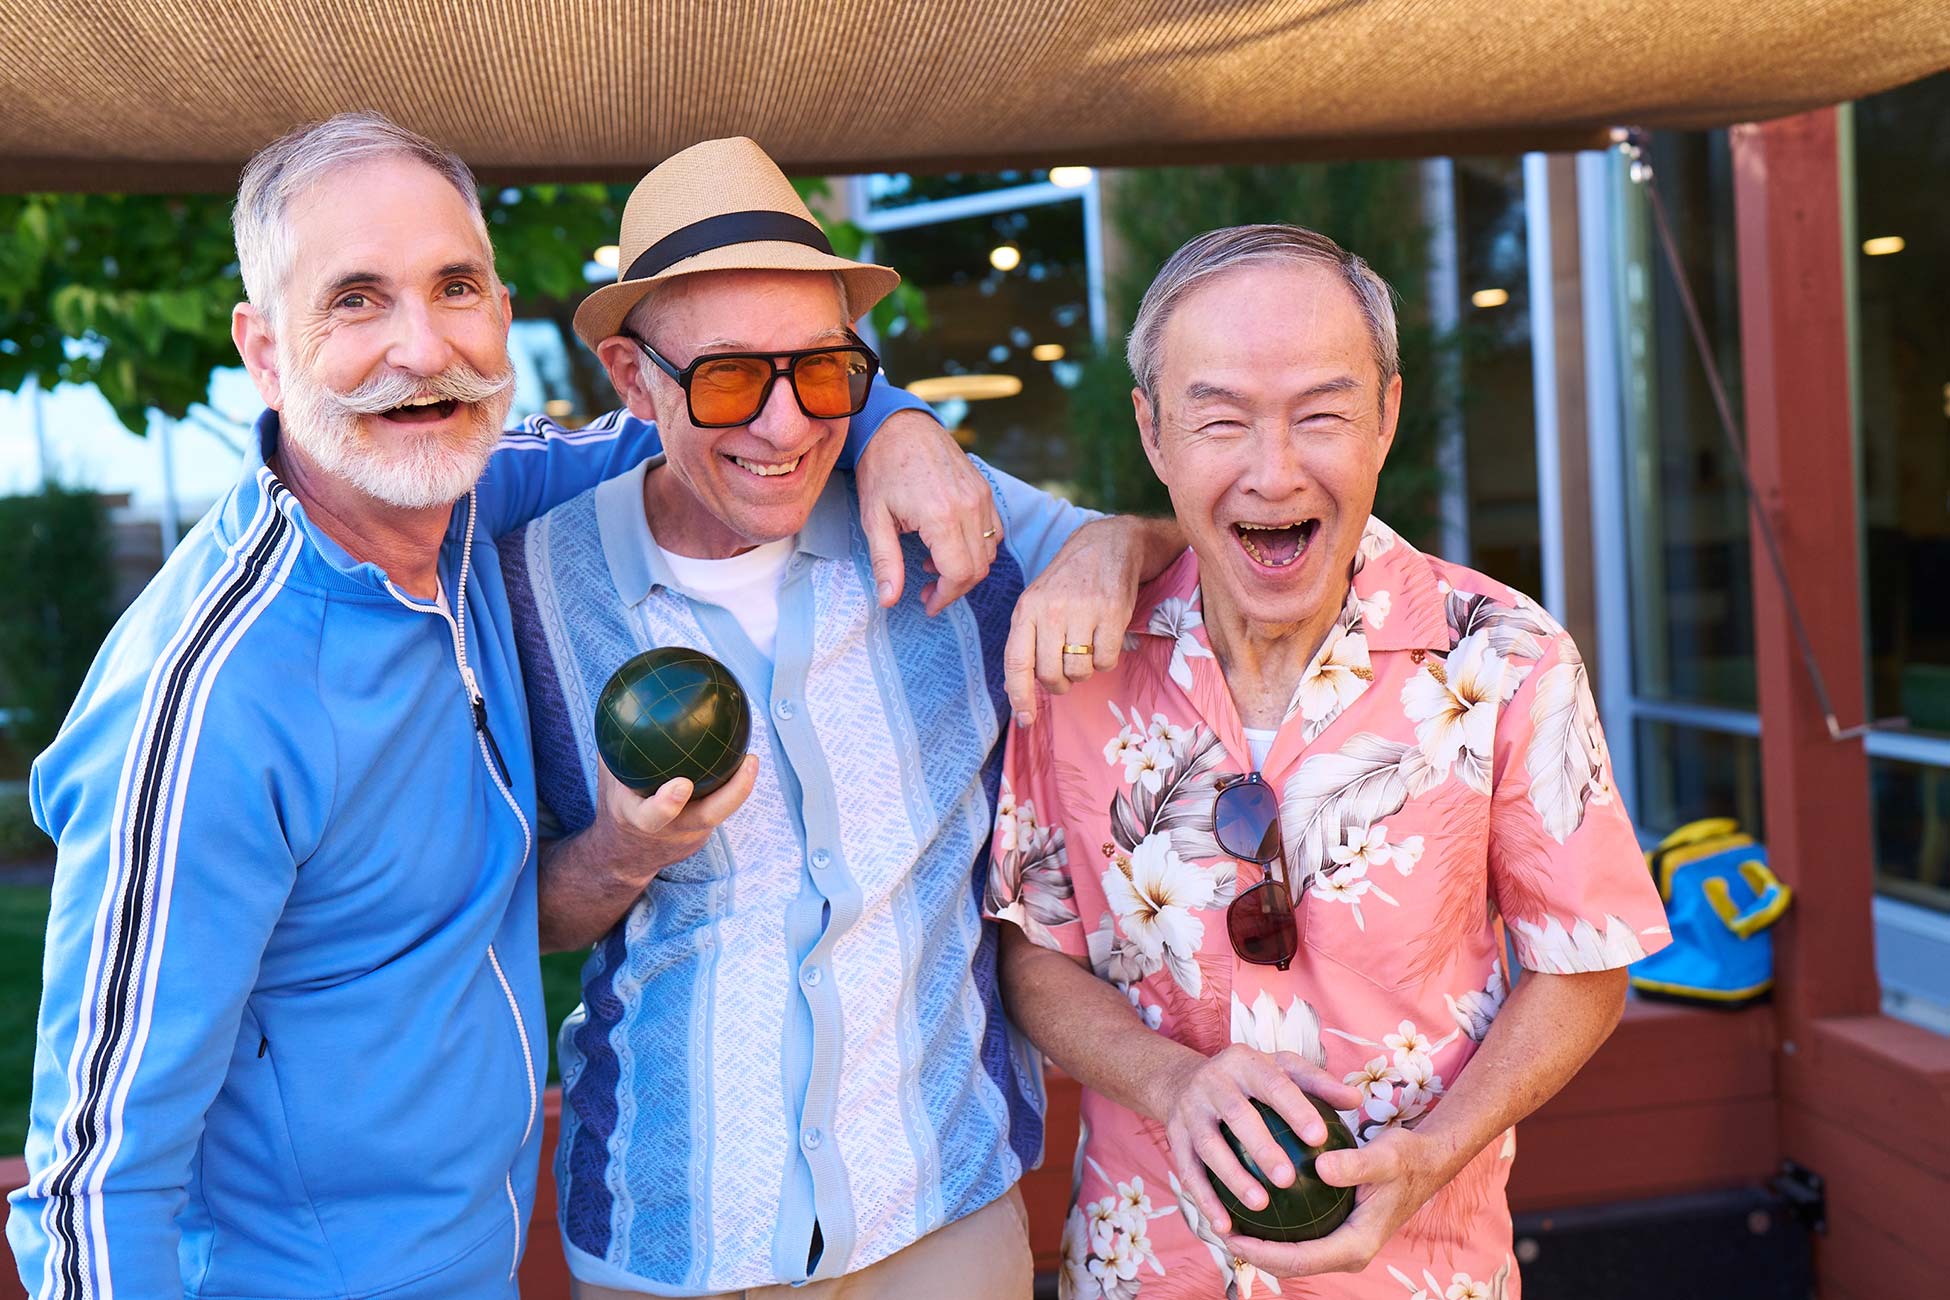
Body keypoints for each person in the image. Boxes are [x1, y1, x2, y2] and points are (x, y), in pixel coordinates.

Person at [6, 113, 1009, 1300]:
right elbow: (90, 1181)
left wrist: (897, 427)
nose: (421, 348)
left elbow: (723, 418)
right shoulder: (210, 694)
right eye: (357, 300)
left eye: (455, 286)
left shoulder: (480, 492)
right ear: (265, 349)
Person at [497, 136, 1184, 1300]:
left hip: (943, 1209)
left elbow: (1160, 543)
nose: (783, 428)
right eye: (725, 380)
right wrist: (623, 851)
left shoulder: (944, 527)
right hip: (675, 1233)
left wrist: (1112, 549)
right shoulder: (529, 587)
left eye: (822, 373)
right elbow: (528, 915)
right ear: (631, 375)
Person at [986, 225, 1672, 1298]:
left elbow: (1585, 963)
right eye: (1220, 419)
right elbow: (1034, 952)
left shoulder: (1504, 654)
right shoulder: (1076, 659)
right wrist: (1174, 1086)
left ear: (1387, 417)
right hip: (1143, 1265)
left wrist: (1437, 1151)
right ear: (1153, 431)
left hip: (1421, 1272)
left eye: (1322, 413)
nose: (1274, 470)